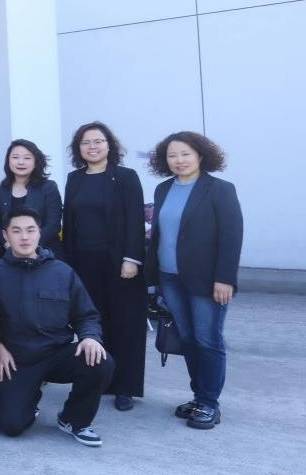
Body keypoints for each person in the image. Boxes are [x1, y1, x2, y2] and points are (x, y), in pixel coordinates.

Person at [0, 208, 113, 447]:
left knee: (100, 360)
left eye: (30, 230)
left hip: (57, 353)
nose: (24, 237)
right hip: (17, 359)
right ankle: (27, 401)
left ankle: (74, 419)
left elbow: (86, 314)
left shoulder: (62, 272)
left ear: (39, 233)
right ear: (5, 235)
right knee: (11, 425)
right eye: (16, 231)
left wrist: (90, 337)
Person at [146, 131, 243, 431]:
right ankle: (199, 396)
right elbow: (158, 235)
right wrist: (152, 278)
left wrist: (225, 278)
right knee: (187, 339)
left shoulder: (219, 190)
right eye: (172, 155)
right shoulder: (163, 189)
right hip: (169, 277)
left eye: (185, 154)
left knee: (207, 339)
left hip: (207, 280)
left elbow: (231, 236)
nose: (179, 160)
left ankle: (209, 403)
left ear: (200, 155)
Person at [60, 122, 146, 412]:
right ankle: (100, 380)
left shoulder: (125, 177)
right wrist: (68, 264)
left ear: (110, 145)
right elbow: (69, 224)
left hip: (120, 263)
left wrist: (132, 258)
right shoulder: (74, 179)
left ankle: (125, 387)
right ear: (78, 148)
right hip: (84, 263)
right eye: (85, 142)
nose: (92, 147)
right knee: (94, 322)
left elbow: (135, 220)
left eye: (98, 141)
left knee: (125, 323)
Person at [0, 139, 62, 252]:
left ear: (35, 162)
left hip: (44, 252)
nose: (21, 162)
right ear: (8, 161)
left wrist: (29, 245)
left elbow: (53, 224)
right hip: (10, 253)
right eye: (15, 157)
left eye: (27, 158)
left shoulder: (49, 187)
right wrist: (8, 244)